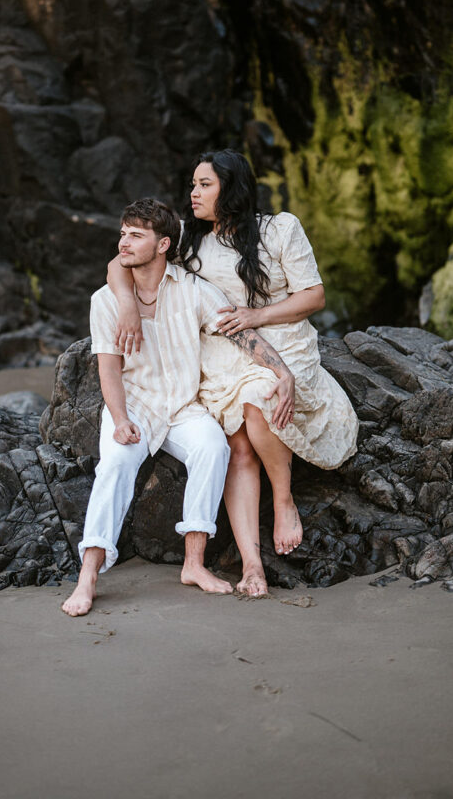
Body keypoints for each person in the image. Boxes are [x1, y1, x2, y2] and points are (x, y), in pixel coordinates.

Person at [108, 152, 359, 599]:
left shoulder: (280, 228)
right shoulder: (189, 238)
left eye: (204, 184)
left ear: (231, 187)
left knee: (258, 401)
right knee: (236, 444)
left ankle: (283, 501)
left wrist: (256, 316)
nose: (194, 193)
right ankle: (252, 564)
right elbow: (122, 259)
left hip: (282, 337)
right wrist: (126, 304)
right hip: (222, 350)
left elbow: (314, 295)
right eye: (192, 185)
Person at [62, 197, 297, 617]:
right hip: (134, 405)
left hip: (184, 406)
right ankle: (88, 578)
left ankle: (194, 563)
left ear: (164, 243)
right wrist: (119, 421)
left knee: (213, 448)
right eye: (123, 234)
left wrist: (282, 372)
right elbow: (109, 371)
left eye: (136, 235)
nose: (124, 243)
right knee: (115, 465)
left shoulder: (193, 291)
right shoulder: (107, 300)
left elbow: (239, 331)